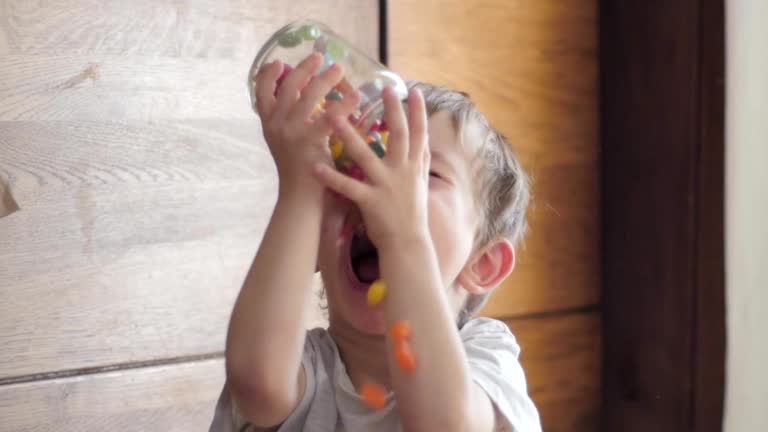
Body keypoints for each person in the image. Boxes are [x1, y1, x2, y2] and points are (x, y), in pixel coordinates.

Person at [210, 52, 541, 432]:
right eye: (349, 166)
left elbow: (447, 424)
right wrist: (302, 189)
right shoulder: (296, 365)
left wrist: (404, 234)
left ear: (483, 264)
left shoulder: (486, 360)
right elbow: (257, 385)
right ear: (311, 242)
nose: (372, 181)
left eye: (424, 172)